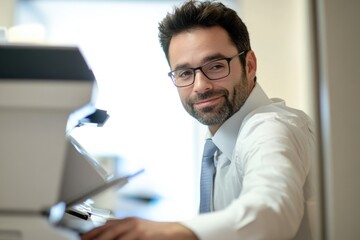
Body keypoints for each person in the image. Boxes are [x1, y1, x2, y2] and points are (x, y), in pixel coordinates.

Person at [81, 0, 316, 239]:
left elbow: (269, 211)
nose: (201, 86)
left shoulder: (271, 128)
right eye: (185, 73)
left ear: (250, 65)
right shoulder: (219, 142)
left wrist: (176, 231)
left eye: (215, 66)